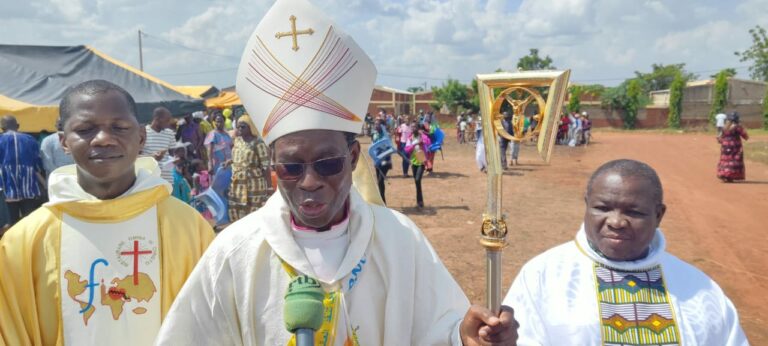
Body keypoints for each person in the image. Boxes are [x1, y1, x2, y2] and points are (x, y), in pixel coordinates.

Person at [155, 0, 518, 344]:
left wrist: (465, 338)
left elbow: (439, 332)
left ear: (353, 156)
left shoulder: (398, 239)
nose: (310, 182)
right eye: (292, 168)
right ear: (274, 166)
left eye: (328, 164)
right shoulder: (235, 252)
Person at [0, 80, 215, 345]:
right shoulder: (25, 240)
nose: (103, 138)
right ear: (63, 142)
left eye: (120, 127)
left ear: (141, 137)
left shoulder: (186, 226)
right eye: (86, 129)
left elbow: (214, 322)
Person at [503, 159, 748, 345]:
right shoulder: (544, 275)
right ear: (586, 205)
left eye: (634, 212)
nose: (616, 222)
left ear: (659, 215)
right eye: (602, 208)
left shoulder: (699, 289)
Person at [0, 115, 44, 226]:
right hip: (28, 188)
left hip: (7, 188)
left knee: (11, 222)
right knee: (28, 221)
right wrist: (44, 183)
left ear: (2, 128)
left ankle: (13, 241)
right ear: (18, 126)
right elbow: (37, 165)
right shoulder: (30, 140)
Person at [227, 115, 272, 223]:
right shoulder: (237, 141)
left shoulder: (258, 143)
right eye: (238, 127)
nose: (240, 129)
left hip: (254, 184)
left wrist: (269, 187)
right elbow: (237, 157)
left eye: (243, 127)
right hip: (237, 184)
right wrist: (230, 161)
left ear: (250, 127)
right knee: (238, 209)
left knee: (254, 211)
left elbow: (265, 166)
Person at [142, 107, 177, 184]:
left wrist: (176, 160)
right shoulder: (144, 132)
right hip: (150, 180)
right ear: (157, 119)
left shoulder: (170, 133)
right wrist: (153, 157)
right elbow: (136, 157)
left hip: (167, 180)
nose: (169, 123)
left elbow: (172, 155)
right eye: (167, 120)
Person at [405, 121, 431, 208]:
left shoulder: (422, 136)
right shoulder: (410, 138)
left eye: (415, 127)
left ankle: (419, 201)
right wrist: (414, 144)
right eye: (412, 127)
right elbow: (407, 150)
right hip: (413, 162)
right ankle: (420, 201)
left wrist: (423, 140)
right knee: (417, 182)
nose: (413, 128)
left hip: (421, 160)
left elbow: (428, 142)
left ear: (418, 128)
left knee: (417, 179)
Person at [717, 112, 749, 183]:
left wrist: (723, 141)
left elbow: (719, 138)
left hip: (725, 146)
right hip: (735, 146)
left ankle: (724, 174)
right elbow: (745, 136)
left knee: (725, 159)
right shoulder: (737, 127)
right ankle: (731, 176)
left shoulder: (724, 127)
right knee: (734, 160)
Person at [371, 119, 393, 204]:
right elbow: (372, 147)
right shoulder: (374, 135)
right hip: (377, 161)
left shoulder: (386, 135)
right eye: (375, 124)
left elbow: (390, 148)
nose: (376, 126)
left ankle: (383, 202)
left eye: (378, 124)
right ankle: (381, 200)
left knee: (380, 180)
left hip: (385, 161)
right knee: (379, 182)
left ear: (382, 126)